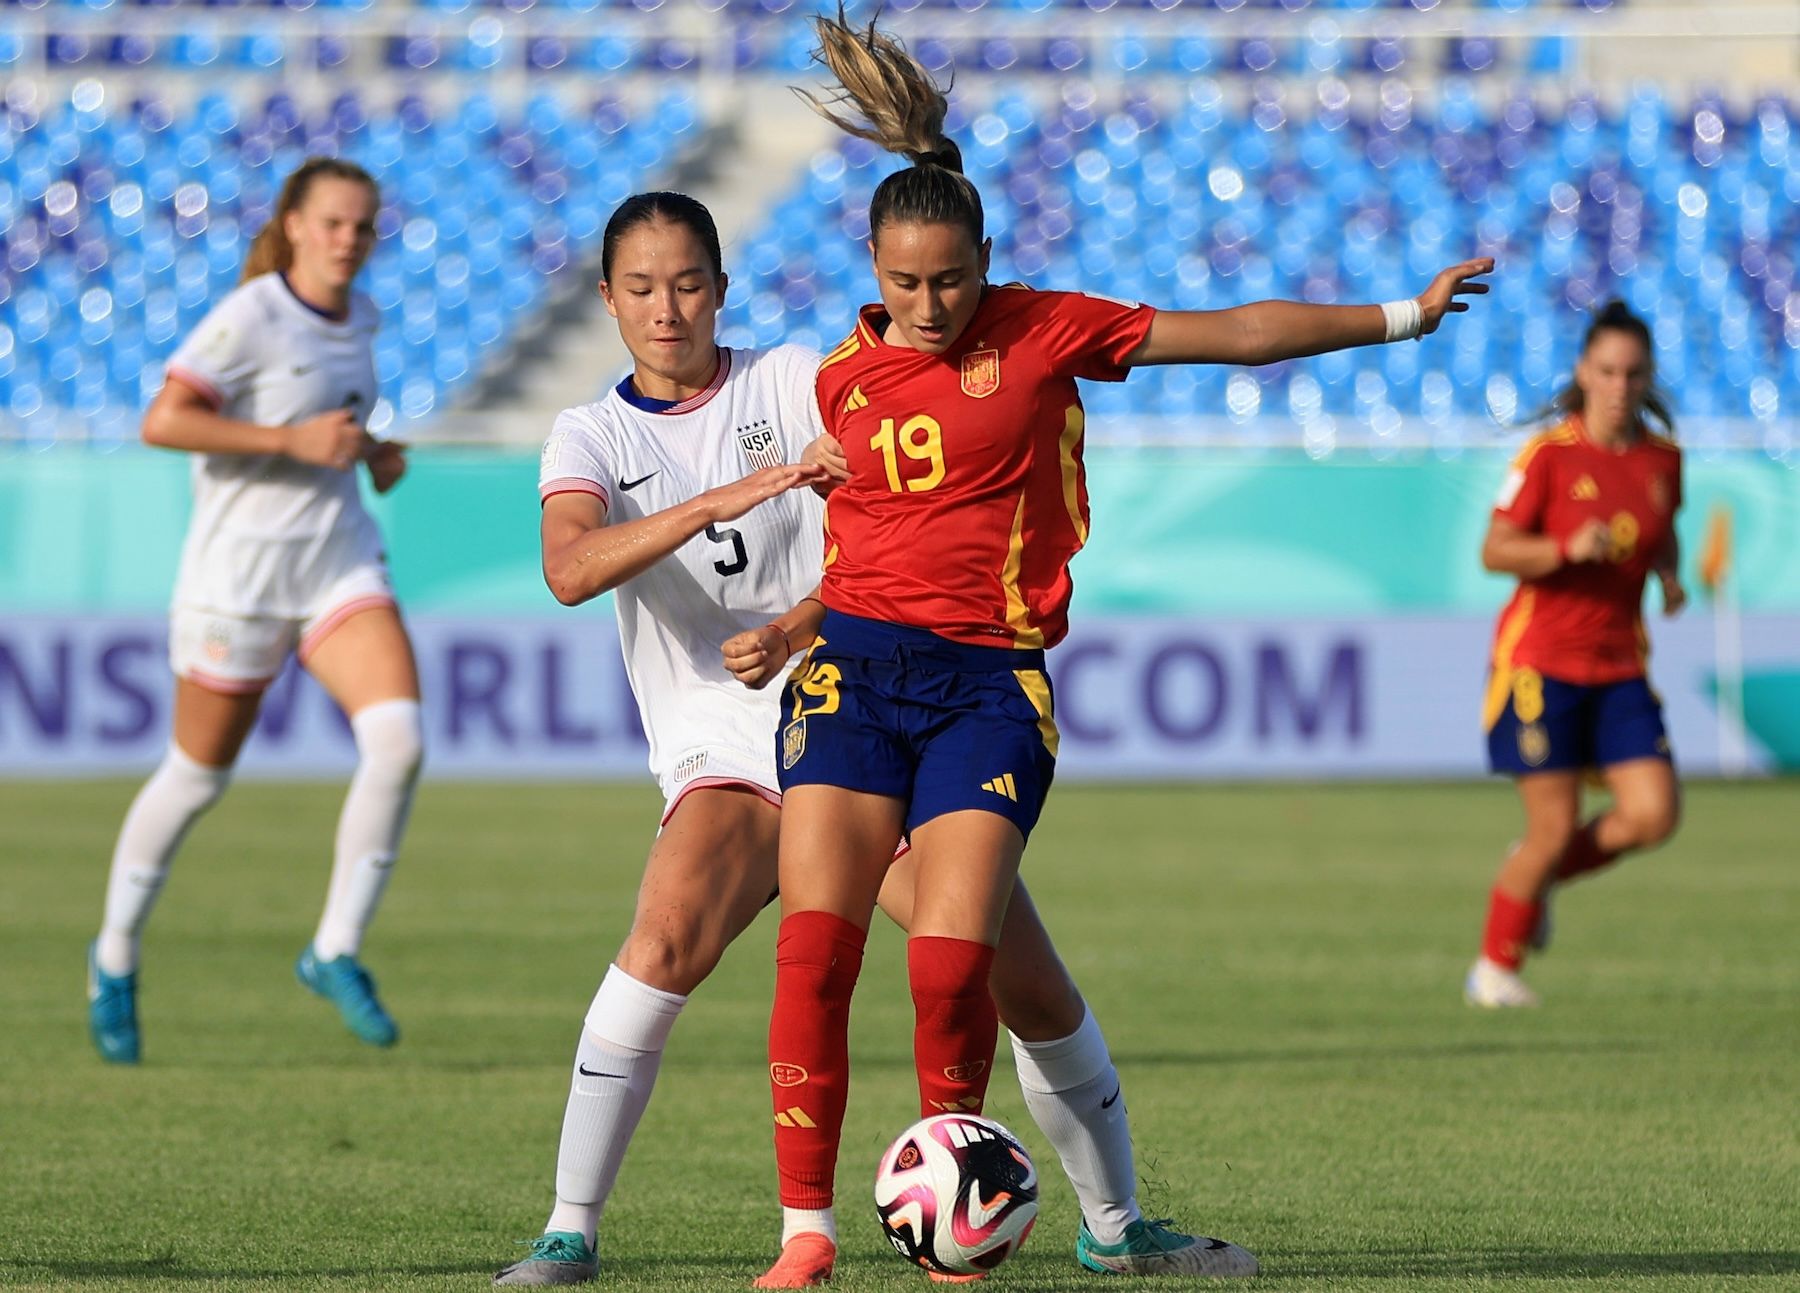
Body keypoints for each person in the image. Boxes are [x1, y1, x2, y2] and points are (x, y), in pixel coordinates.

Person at [755, 13, 1494, 1287]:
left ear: (987, 255)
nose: (929, 305)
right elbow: (868, 547)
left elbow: (1237, 334)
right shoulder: (837, 379)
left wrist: (1397, 316)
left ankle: (968, 1234)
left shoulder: (1046, 330)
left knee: (953, 967)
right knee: (816, 951)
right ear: (871, 264)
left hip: (988, 686)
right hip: (853, 678)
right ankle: (805, 1239)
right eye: (905, 281)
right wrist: (791, 625)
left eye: (950, 278)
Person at [494, 191, 1252, 1287]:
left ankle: (1117, 1225)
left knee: (1018, 980)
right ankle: (571, 1231)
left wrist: (808, 620)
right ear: (608, 299)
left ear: (722, 285)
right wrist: (732, 494)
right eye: (643, 288)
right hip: (725, 747)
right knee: (661, 942)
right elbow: (571, 570)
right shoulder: (591, 435)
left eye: (690, 283)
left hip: (854, 711)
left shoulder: (800, 377)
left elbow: (918, 459)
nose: (669, 309)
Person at [86, 157, 424, 1063]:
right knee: (196, 777)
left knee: (399, 742)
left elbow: (329, 423)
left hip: (335, 562)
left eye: (363, 226)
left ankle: (335, 948)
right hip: (238, 580)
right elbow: (163, 420)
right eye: (332, 224)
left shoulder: (363, 314)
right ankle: (114, 952)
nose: (348, 240)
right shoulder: (250, 315)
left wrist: (371, 452)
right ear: (292, 225)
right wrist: (293, 441)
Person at [1465, 300, 1685, 1008]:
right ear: (1584, 373)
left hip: (1619, 662)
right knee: (1553, 825)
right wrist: (1565, 548)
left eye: (1633, 373)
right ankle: (1494, 968)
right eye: (1607, 370)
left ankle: (1539, 874)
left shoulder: (1662, 460)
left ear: (1647, 379)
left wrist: (1670, 574)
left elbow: (1661, 529)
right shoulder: (1548, 457)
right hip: (1541, 662)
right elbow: (1495, 550)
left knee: (1653, 814)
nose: (1620, 385)